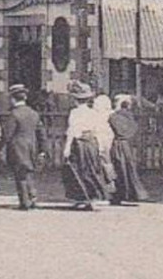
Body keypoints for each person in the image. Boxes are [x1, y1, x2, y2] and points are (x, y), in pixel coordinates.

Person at [62, 81, 109, 209]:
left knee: (79, 170)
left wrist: (67, 148)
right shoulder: (93, 113)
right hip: (92, 143)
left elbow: (72, 131)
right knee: (91, 170)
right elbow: (97, 130)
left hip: (80, 143)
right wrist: (99, 147)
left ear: (76, 100)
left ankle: (83, 197)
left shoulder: (75, 112)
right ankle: (91, 197)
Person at [1, 84, 47, 211]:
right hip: (32, 146)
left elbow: (7, 134)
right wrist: (43, 150)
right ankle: (33, 198)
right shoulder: (34, 113)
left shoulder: (14, 114)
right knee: (29, 173)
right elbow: (41, 133)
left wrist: (0, 147)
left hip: (18, 147)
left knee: (20, 174)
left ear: (13, 99)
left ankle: (24, 201)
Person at [107, 94, 148, 205]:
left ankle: (120, 194)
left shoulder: (115, 116)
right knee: (126, 168)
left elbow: (117, 128)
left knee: (119, 169)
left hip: (119, 145)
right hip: (127, 145)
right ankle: (127, 194)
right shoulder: (129, 116)